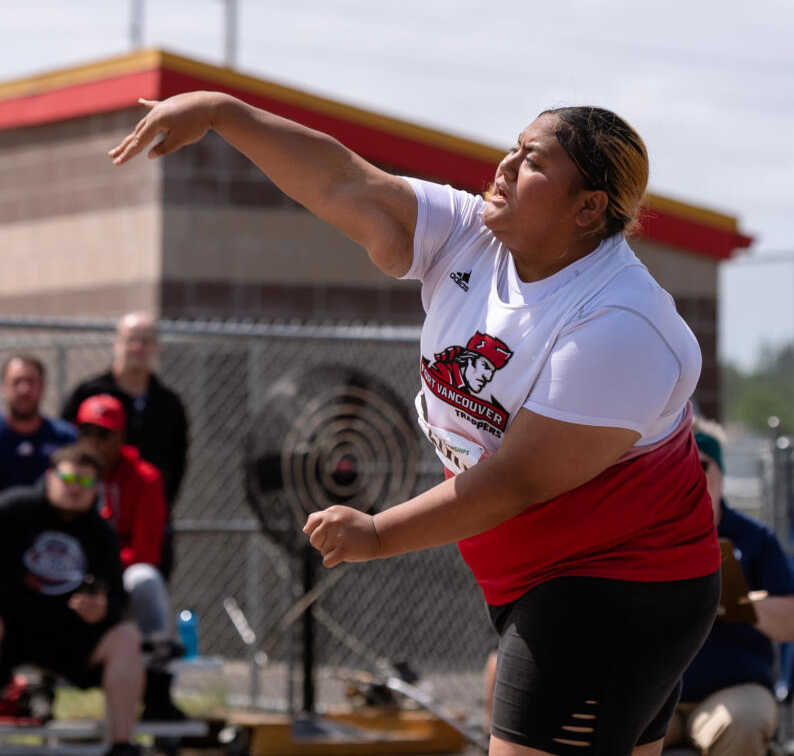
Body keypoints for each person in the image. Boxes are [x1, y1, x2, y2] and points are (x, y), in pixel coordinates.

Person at [110, 92, 722, 756]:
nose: (507, 165)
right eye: (513, 147)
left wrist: (377, 533)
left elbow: (519, 481)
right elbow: (347, 183)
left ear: (588, 207)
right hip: (547, 577)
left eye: (535, 161)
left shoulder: (621, 324)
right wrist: (223, 114)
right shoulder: (474, 237)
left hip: (616, 584)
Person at [0, 443, 144, 756]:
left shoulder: (101, 533)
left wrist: (104, 611)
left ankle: (122, 744)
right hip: (11, 630)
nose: (76, 489)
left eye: (86, 482)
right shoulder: (14, 510)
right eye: (69, 480)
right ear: (50, 477)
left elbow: (117, 596)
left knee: (126, 637)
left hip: (72, 637)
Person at [663, 421, 794, 756]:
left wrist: (740, 601)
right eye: (677, 460)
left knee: (745, 722)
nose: (690, 470)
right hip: (654, 693)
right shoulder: (644, 535)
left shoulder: (754, 538)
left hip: (733, 688)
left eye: (701, 463)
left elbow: (790, 623)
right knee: (606, 725)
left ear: (720, 473)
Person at [75, 393, 186, 723]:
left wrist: (103, 568)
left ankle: (157, 687)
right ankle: (34, 691)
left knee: (145, 579)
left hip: (119, 574)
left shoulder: (145, 478)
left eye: (104, 434)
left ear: (121, 436)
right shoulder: (68, 474)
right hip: (73, 575)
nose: (94, 442)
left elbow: (146, 552)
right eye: (87, 432)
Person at [60, 312, 189, 576]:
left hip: (145, 506)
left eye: (145, 341)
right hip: (88, 501)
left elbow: (179, 457)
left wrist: (159, 500)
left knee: (146, 578)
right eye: (131, 339)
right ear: (116, 343)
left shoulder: (168, 402)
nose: (137, 348)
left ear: (157, 347)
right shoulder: (90, 392)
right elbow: (65, 449)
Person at [0, 354, 77, 490]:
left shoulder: (65, 437)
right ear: (4, 386)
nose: (24, 390)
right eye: (16, 381)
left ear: (42, 386)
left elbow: (76, 481)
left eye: (31, 381)